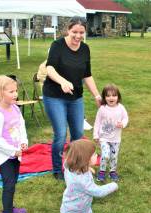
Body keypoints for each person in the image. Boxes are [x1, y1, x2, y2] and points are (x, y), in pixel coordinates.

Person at [43, 16, 102, 180]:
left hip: (75, 98)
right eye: (74, 32)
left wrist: (96, 95)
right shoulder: (57, 45)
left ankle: (77, 166)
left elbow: (87, 74)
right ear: (68, 30)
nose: (77, 36)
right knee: (61, 134)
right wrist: (62, 81)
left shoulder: (85, 49)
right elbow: (50, 68)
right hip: (54, 96)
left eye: (81, 32)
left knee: (77, 133)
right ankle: (57, 170)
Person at [0, 75, 28, 213]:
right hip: (5, 157)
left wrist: (23, 142)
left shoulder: (15, 108)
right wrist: (12, 151)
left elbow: (21, 126)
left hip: (16, 154)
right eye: (11, 92)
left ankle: (9, 207)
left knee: (13, 181)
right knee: (9, 186)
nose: (15, 94)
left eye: (15, 90)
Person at [60, 139, 118, 213]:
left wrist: (87, 167)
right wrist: (114, 185)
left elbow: (74, 163)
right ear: (85, 160)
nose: (96, 155)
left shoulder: (69, 165)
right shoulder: (82, 181)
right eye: (94, 154)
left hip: (83, 210)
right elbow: (98, 192)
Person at [93, 84, 129, 182]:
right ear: (104, 97)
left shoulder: (121, 108)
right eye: (108, 96)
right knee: (105, 155)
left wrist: (123, 124)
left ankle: (112, 171)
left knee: (114, 156)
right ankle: (101, 171)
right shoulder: (102, 109)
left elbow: (126, 118)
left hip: (116, 139)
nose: (111, 98)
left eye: (114, 95)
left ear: (118, 97)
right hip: (104, 138)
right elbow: (97, 122)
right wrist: (96, 135)